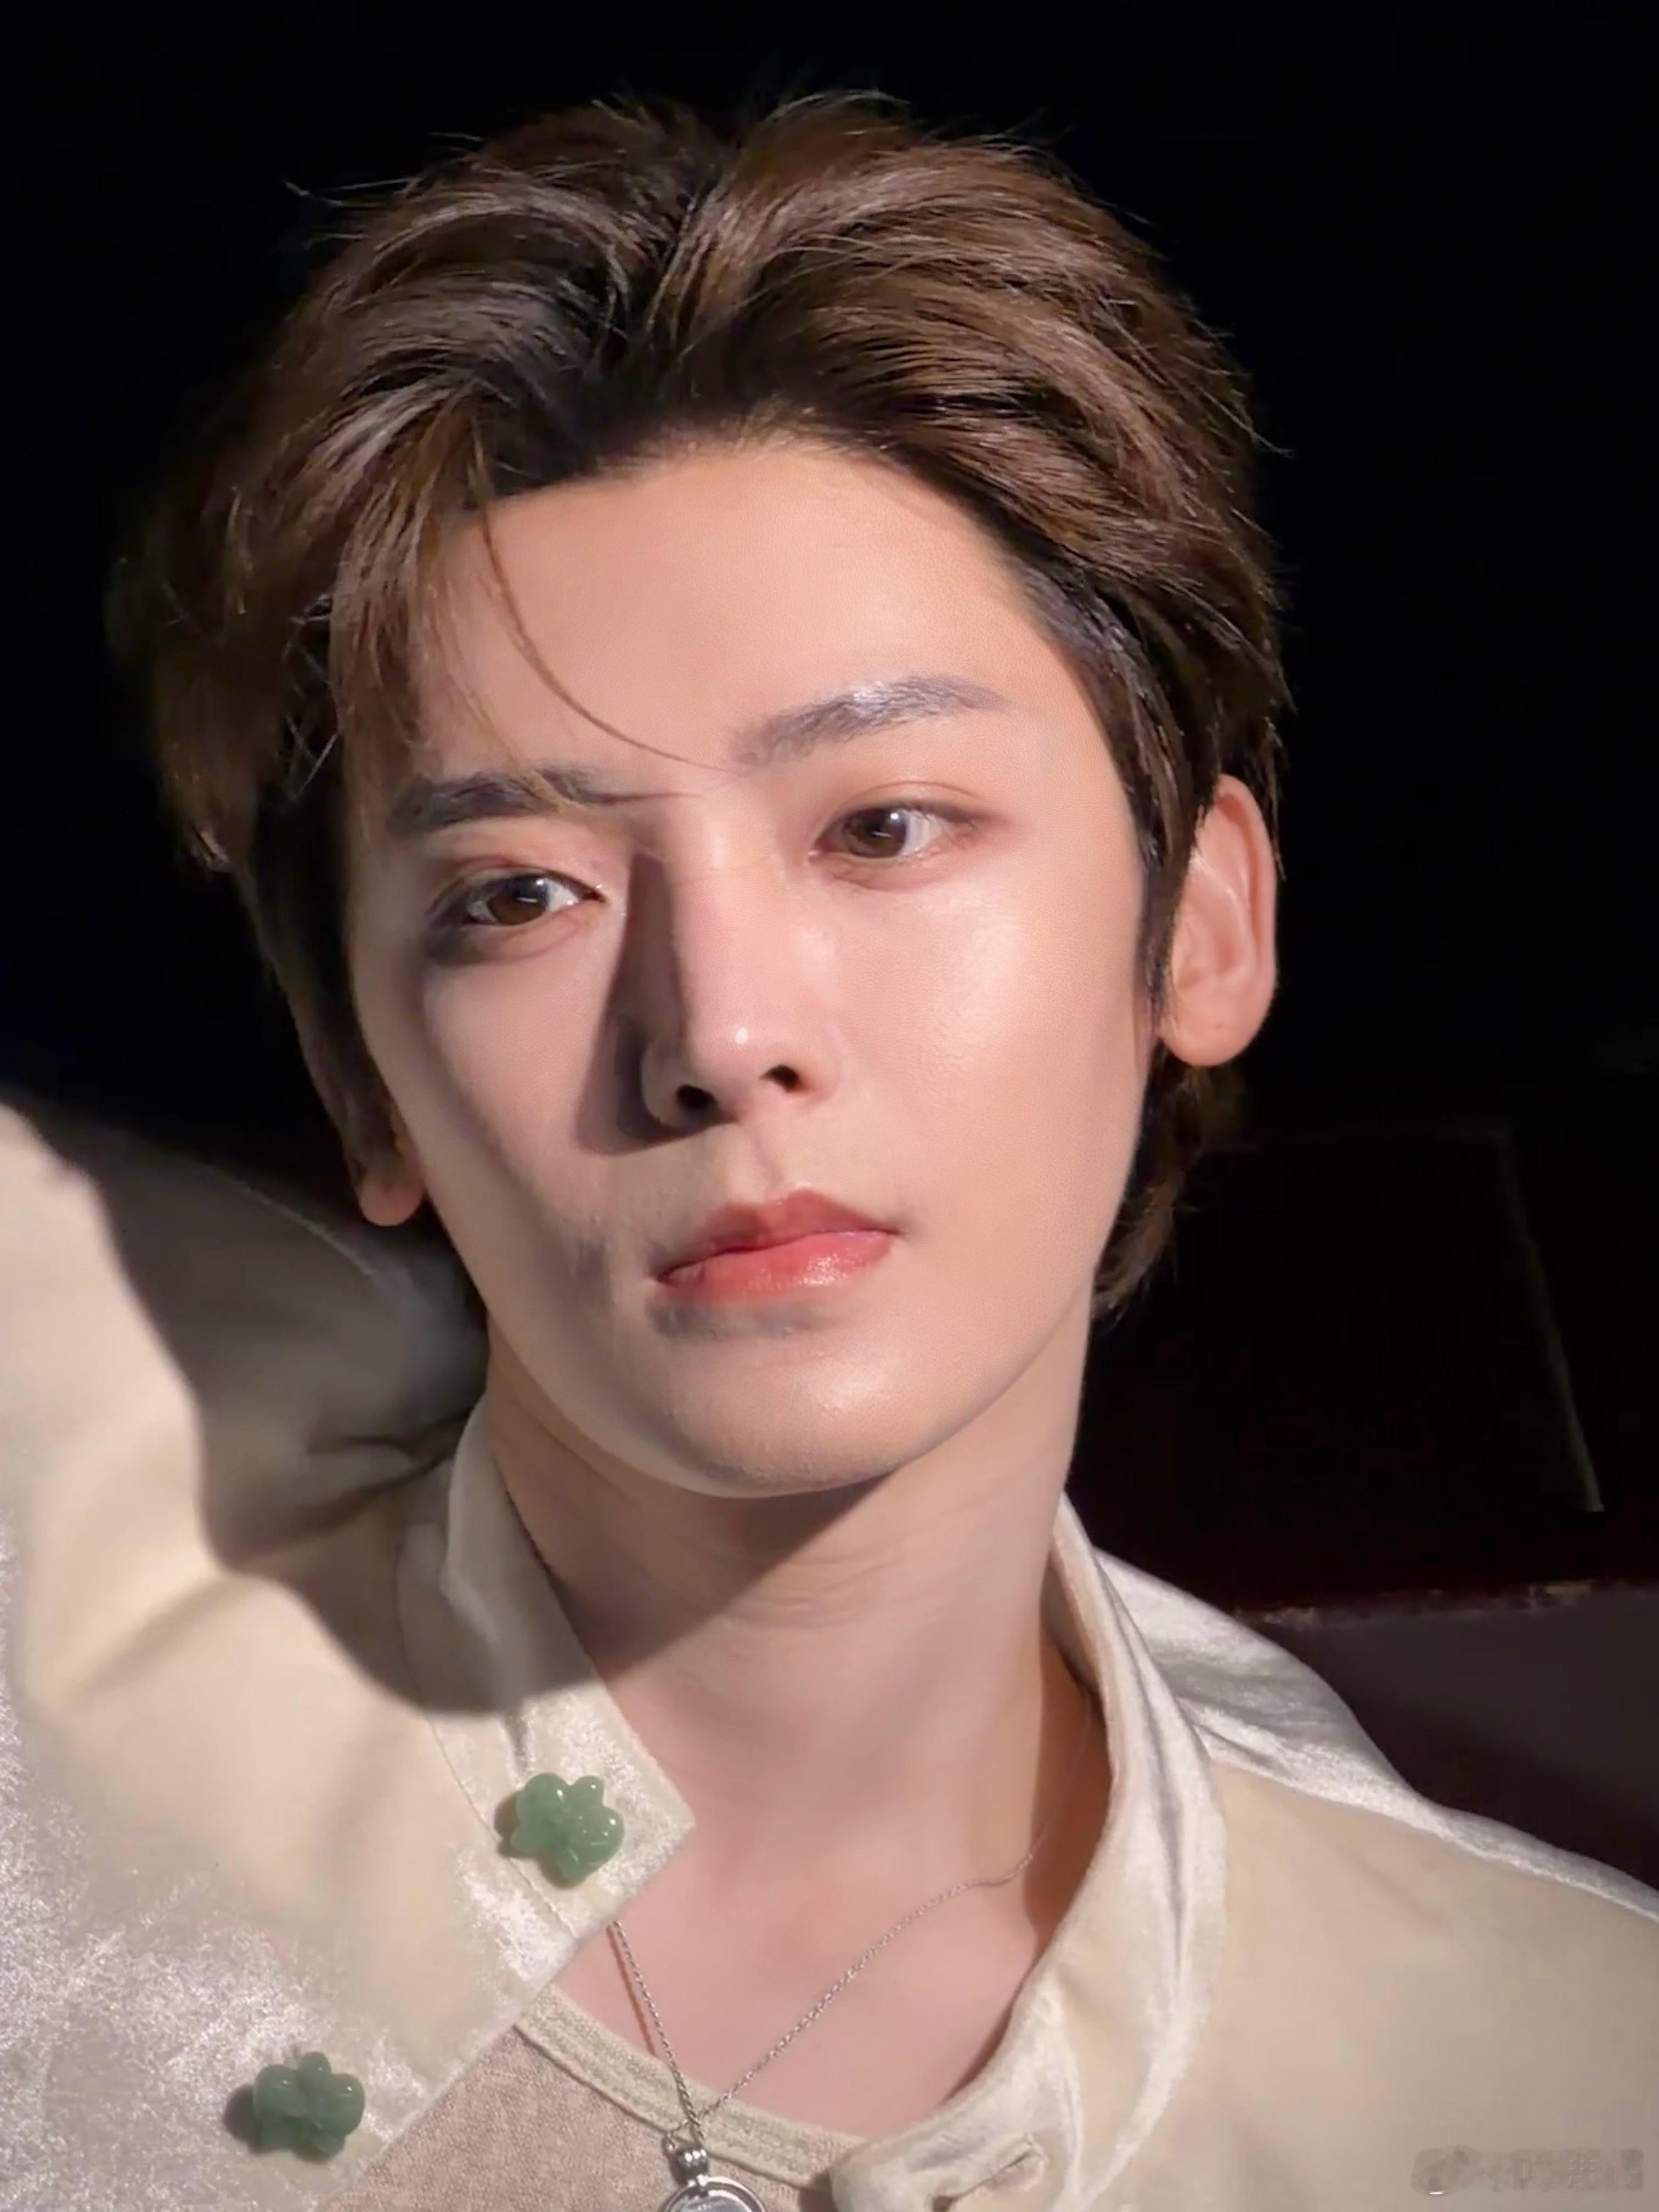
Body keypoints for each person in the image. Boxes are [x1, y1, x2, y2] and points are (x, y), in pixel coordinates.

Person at [2, 89, 1653, 2212]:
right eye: (519, 893)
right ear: (361, 1078)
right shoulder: (55, 1663)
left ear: (1202, 924)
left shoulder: (1561, 2079)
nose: (720, 1033)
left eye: (883, 827)